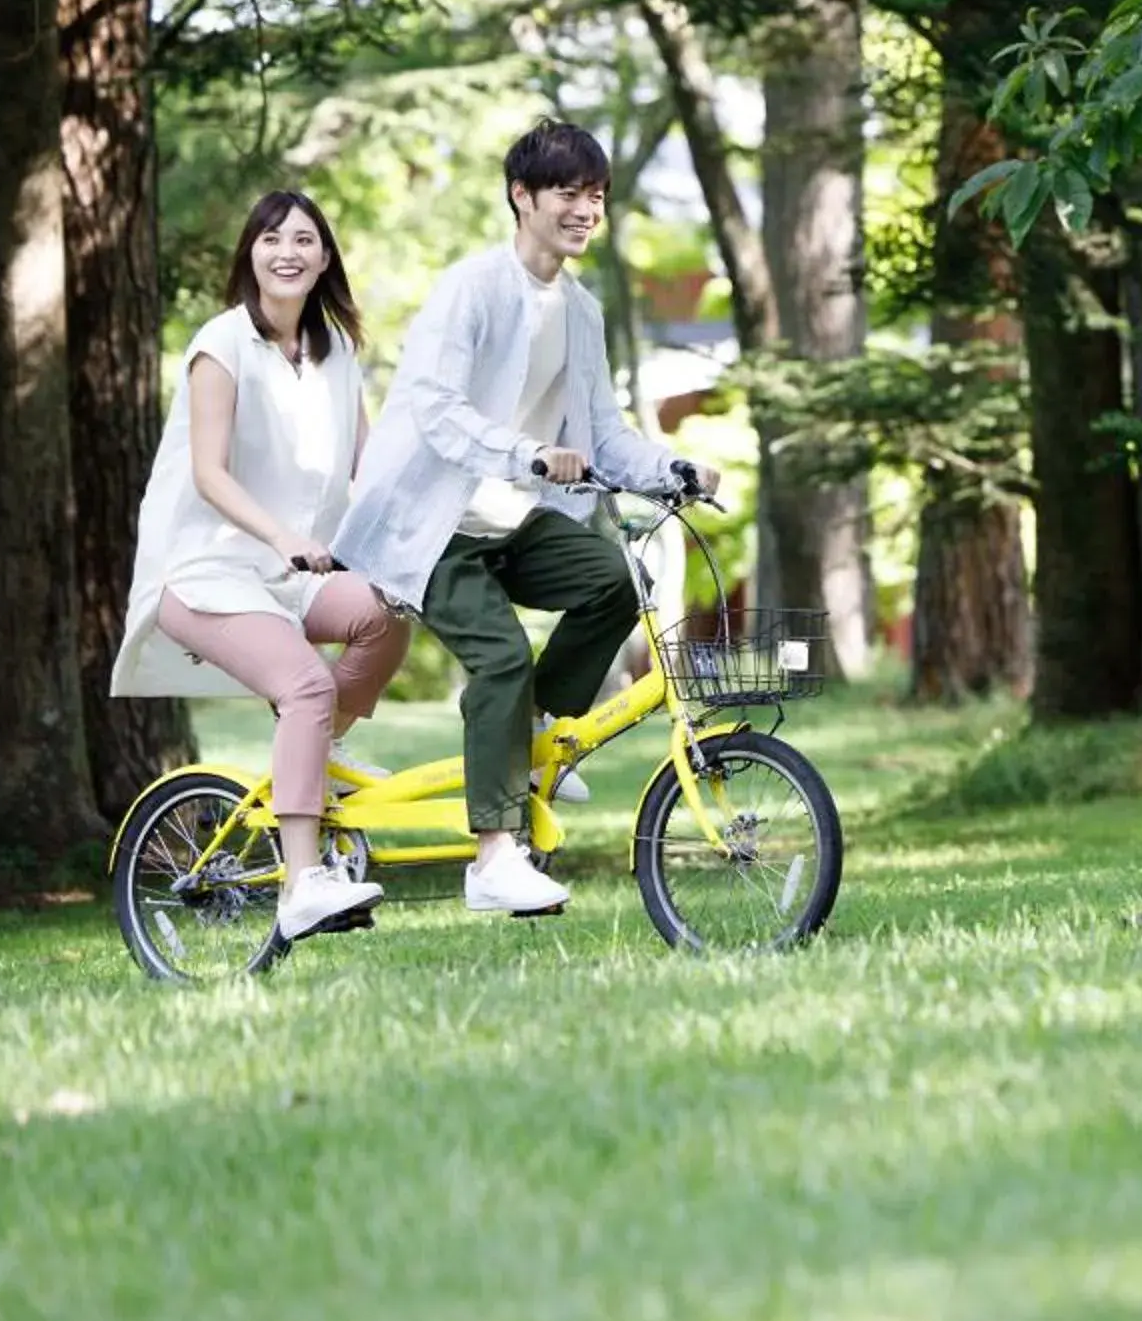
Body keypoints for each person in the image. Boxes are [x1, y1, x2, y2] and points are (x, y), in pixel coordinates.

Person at [332, 120, 716, 918]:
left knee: (614, 578)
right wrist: (527, 452)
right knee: (500, 658)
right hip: (428, 526)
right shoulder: (470, 288)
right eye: (569, 193)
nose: (586, 210)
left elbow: (602, 430)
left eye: (597, 196)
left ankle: (536, 732)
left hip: (510, 518)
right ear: (522, 197)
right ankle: (493, 859)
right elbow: (436, 410)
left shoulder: (579, 309)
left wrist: (670, 468)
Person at [114, 191, 413, 943]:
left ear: (325, 257)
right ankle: (302, 883)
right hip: (206, 569)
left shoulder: (337, 351)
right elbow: (209, 474)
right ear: (250, 253)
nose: (288, 251)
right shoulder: (222, 344)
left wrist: (435, 521)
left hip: (288, 573)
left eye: (305, 239)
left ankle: (315, 744)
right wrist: (282, 536)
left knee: (388, 613)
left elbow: (368, 465)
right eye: (272, 238)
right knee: (307, 682)